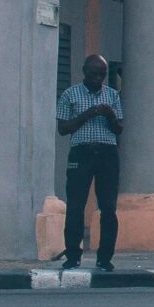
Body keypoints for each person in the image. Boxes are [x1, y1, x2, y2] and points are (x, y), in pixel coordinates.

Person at [54, 54, 123, 272]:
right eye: (94, 74)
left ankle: (105, 258)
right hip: (81, 153)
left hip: (107, 153)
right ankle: (73, 255)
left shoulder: (112, 95)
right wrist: (90, 113)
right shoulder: (70, 94)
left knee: (109, 207)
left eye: (102, 75)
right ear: (85, 72)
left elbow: (119, 129)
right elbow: (63, 128)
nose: (98, 79)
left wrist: (110, 115)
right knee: (75, 205)